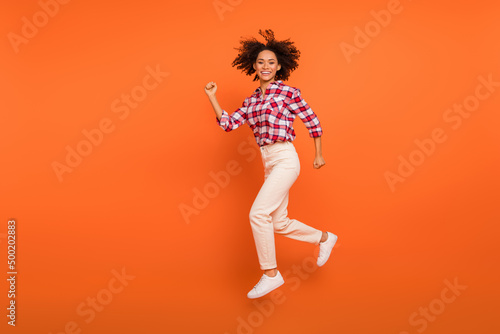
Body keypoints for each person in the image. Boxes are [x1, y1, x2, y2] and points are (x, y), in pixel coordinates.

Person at [204, 29, 338, 299]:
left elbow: (312, 120)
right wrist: (212, 97)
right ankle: (324, 238)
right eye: (261, 62)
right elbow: (229, 124)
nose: (266, 66)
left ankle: (270, 274)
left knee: (257, 214)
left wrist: (318, 154)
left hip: (286, 158)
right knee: (279, 222)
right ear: (254, 65)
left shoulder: (288, 92)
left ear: (279, 67)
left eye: (271, 63)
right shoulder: (252, 100)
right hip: (268, 162)